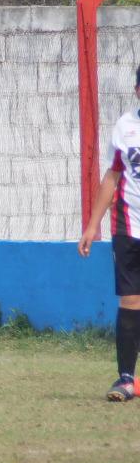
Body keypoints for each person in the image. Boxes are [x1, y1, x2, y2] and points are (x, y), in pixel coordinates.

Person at [78, 65, 140, 400]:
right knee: (130, 300)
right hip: (128, 227)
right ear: (137, 90)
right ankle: (126, 379)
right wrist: (92, 225)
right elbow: (112, 177)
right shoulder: (125, 127)